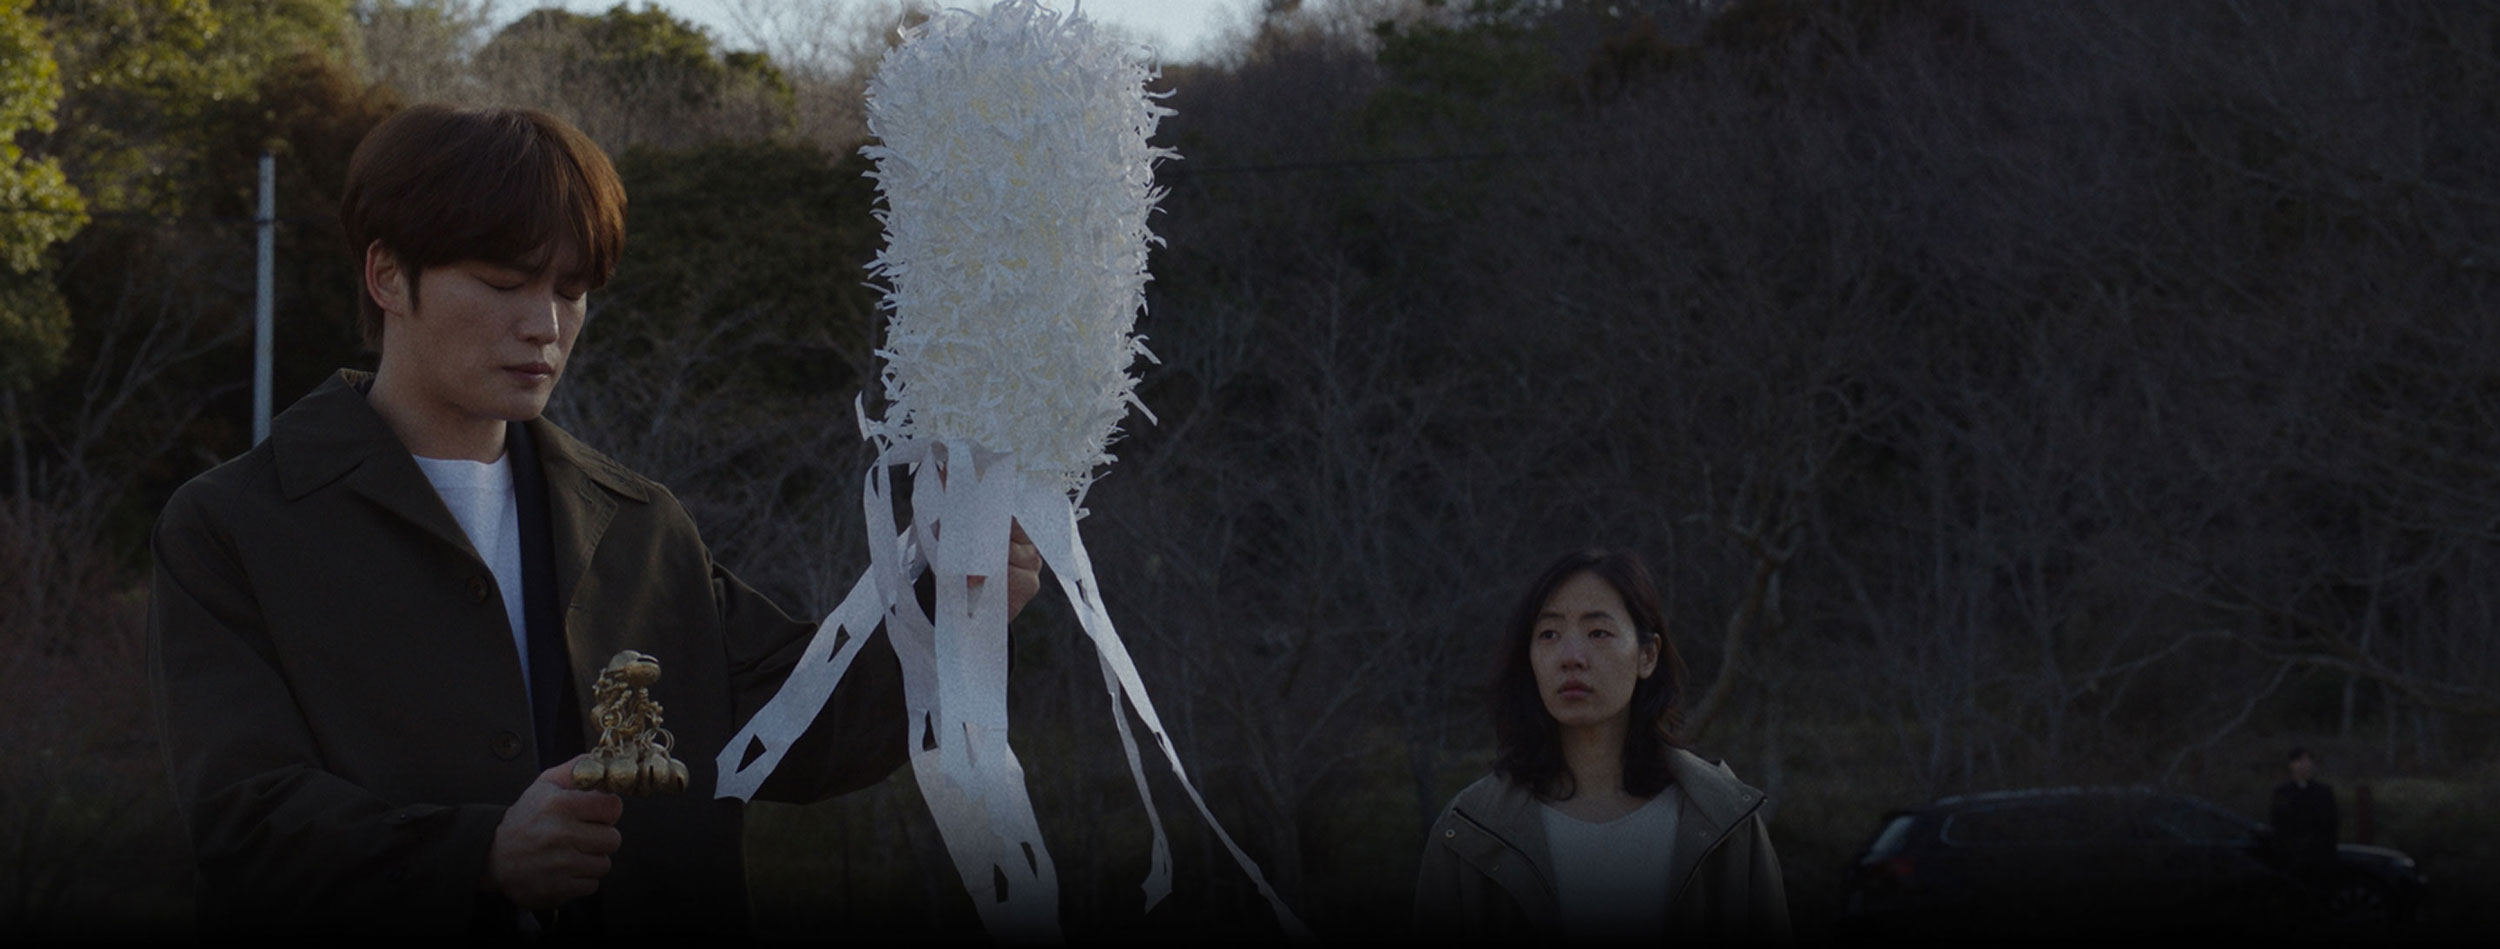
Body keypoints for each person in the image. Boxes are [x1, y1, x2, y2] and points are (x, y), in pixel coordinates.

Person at [146, 104, 1041, 937]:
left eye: (571, 290)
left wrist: (955, 602)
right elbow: (244, 818)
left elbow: (800, 731)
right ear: (387, 275)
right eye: (502, 282)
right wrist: (481, 853)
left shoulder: (639, 525)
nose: (544, 324)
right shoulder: (235, 526)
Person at [1413, 548, 1790, 945]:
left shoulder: (1722, 820)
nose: (1571, 657)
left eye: (1598, 633)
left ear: (1647, 655)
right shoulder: (1471, 832)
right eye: (1549, 634)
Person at [2269, 747, 2339, 889]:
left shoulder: (2323, 792)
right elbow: (2278, 823)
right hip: (2290, 859)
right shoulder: (2282, 792)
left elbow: (2331, 822)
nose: (2303, 765)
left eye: (2307, 761)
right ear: (2291, 765)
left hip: (2319, 857)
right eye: (2299, 761)